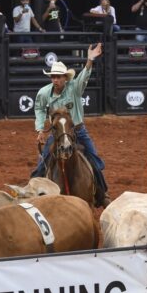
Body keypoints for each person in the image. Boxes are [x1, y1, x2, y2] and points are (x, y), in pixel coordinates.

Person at [31, 44, 110, 208]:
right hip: (57, 133)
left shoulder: (74, 88)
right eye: (53, 77)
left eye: (59, 77)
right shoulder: (44, 93)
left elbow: (83, 78)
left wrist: (89, 60)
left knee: (95, 161)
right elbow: (39, 108)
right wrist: (40, 129)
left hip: (78, 131)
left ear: (65, 78)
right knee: (42, 164)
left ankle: (103, 194)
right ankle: (34, 195)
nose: (56, 80)